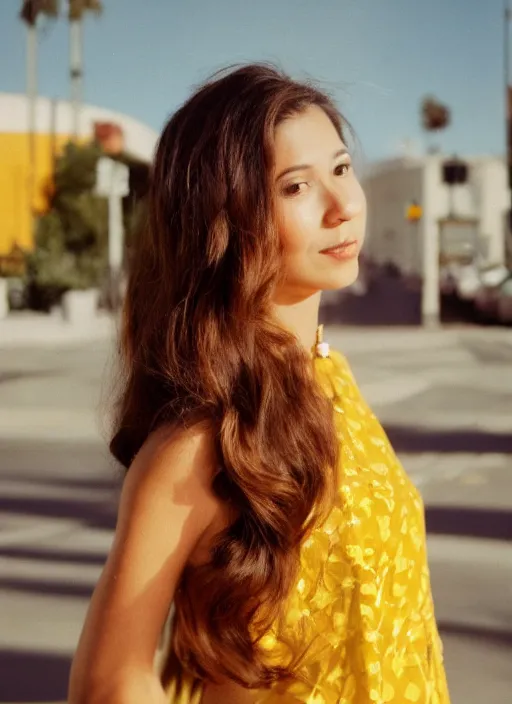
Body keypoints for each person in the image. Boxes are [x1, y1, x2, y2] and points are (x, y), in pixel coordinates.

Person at [68, 64, 450, 704]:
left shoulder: (329, 377)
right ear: (224, 220)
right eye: (296, 186)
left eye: (341, 168)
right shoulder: (199, 442)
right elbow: (111, 681)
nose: (343, 206)